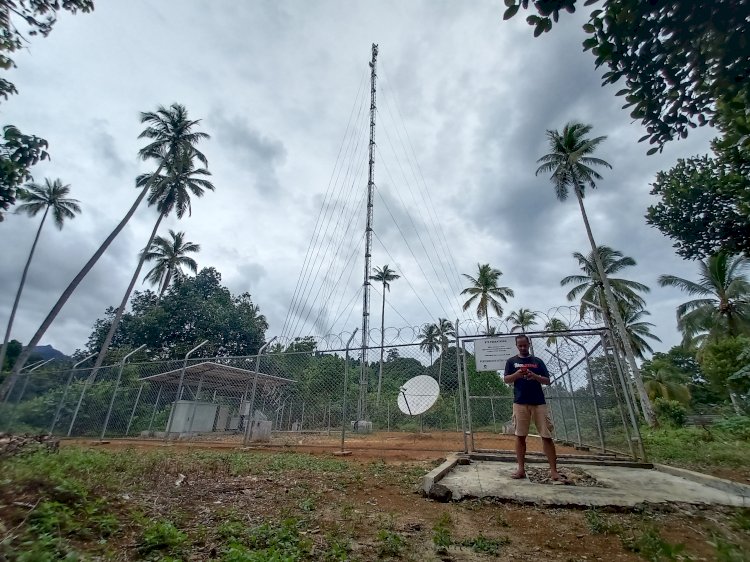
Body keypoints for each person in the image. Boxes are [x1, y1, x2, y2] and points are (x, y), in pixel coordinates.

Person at [503, 334, 563, 481]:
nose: (523, 347)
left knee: (546, 436)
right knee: (520, 436)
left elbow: (547, 381)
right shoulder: (511, 362)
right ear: (517, 346)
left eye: (525, 345)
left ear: (529, 344)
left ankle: (554, 471)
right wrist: (517, 374)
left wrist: (534, 376)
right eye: (520, 345)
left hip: (538, 402)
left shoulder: (537, 361)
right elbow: (506, 379)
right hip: (520, 402)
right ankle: (521, 469)